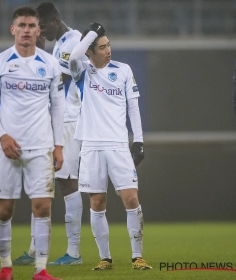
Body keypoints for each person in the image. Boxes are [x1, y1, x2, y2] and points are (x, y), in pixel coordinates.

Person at [0, 6, 65, 280]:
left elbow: (57, 106)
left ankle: (41, 269)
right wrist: (2, 135)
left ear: (39, 30)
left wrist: (59, 145)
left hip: (41, 147)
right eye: (22, 25)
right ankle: (5, 266)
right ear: (13, 29)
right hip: (6, 148)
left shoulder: (50, 63)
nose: (27, 30)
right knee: (4, 210)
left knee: (42, 207)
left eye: (32, 25)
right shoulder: (0, 62)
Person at [68, 22, 152, 271]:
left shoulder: (123, 70)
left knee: (131, 198)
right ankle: (105, 258)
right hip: (91, 146)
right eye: (102, 47)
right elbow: (73, 56)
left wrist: (138, 140)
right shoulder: (82, 71)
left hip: (117, 145)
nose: (108, 51)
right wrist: (92, 32)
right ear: (90, 51)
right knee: (97, 203)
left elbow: (133, 107)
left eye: (109, 45)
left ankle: (137, 256)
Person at [13, 2, 85, 266]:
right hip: (55, 122)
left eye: (41, 27)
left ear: (54, 21)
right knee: (42, 183)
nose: (39, 33)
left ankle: (74, 252)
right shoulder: (59, 43)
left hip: (68, 122)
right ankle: (34, 249)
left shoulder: (72, 42)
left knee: (68, 183)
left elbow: (59, 83)